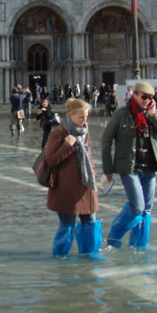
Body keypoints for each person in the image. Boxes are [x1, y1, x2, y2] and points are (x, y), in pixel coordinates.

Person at [102, 81, 157, 249]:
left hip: (150, 167)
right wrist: (108, 170)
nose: (147, 101)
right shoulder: (121, 115)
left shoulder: (150, 115)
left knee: (147, 210)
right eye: (144, 97)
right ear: (135, 95)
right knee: (138, 207)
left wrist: (154, 115)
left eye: (150, 98)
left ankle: (139, 246)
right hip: (129, 167)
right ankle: (114, 235)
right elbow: (106, 141)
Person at [44, 98, 101, 257]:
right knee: (67, 225)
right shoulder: (57, 134)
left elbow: (89, 156)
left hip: (86, 186)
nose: (84, 121)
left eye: (86, 117)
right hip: (66, 189)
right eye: (81, 117)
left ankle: (91, 255)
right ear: (71, 115)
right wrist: (67, 145)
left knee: (90, 222)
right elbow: (51, 160)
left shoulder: (85, 132)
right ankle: (61, 256)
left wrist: (94, 174)